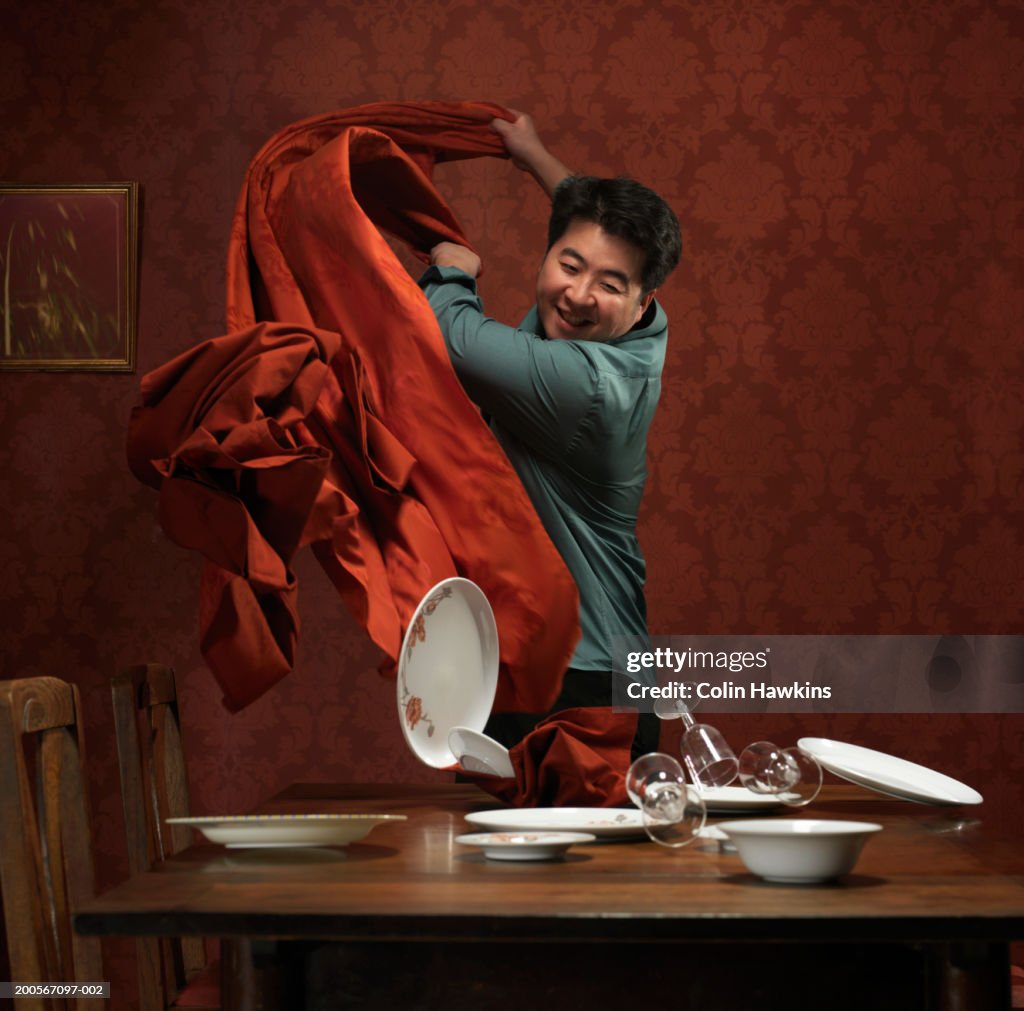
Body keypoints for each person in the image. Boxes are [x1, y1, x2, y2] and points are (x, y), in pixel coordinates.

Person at [418, 113, 682, 760]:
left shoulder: (584, 385)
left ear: (641, 300)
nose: (579, 294)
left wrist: (453, 271)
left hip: (579, 690)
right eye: (569, 264)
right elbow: (590, 224)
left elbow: (451, 340)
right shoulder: (640, 331)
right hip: (544, 670)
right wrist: (533, 154)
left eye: (610, 285)